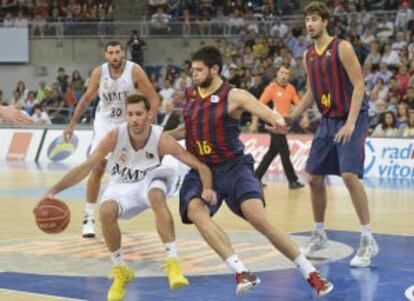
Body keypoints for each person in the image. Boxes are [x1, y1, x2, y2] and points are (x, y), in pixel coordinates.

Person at [168, 46, 333, 296]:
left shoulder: (235, 96)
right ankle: (241, 272)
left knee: (257, 217)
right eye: (193, 70)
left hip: (234, 166)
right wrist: (154, 137)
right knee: (195, 210)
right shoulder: (192, 97)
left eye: (199, 70)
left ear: (215, 69)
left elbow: (266, 111)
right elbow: (184, 130)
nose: (194, 74)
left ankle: (310, 272)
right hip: (203, 169)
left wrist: (279, 122)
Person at [40, 94, 216, 301]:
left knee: (156, 196)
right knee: (106, 212)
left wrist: (207, 188)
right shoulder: (115, 136)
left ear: (149, 115)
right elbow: (85, 167)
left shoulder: (161, 139)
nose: (134, 119)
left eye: (139, 114)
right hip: (122, 183)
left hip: (153, 176)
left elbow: (201, 166)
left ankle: (173, 264)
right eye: (130, 114)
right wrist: (52, 191)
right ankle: (120, 270)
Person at [285, 1, 378, 268]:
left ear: (325, 21)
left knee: (349, 175)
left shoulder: (343, 48)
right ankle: (319, 233)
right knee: (313, 178)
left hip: (353, 116)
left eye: (314, 19)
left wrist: (350, 123)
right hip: (328, 120)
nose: (309, 24)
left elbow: (359, 85)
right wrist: (291, 116)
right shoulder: (307, 55)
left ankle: (367, 239)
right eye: (307, 20)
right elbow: (312, 92)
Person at [63, 40, 160, 238]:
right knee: (97, 166)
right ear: (106, 55)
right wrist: (72, 123)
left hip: (128, 122)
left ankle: (118, 209)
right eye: (111, 53)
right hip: (105, 122)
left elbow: (153, 98)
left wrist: (151, 124)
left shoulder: (135, 71)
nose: (115, 56)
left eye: (118, 52)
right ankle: (89, 217)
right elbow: (86, 98)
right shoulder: (99, 72)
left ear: (123, 53)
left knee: (126, 171)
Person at [250, 64, 305, 189]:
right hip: (273, 123)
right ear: (277, 74)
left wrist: (305, 116)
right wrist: (254, 122)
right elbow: (258, 105)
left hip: (284, 123)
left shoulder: (291, 88)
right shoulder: (271, 88)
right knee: (285, 151)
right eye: (282, 73)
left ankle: (255, 178)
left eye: (287, 74)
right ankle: (292, 181)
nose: (284, 76)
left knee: (272, 152)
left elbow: (299, 104)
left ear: (289, 76)